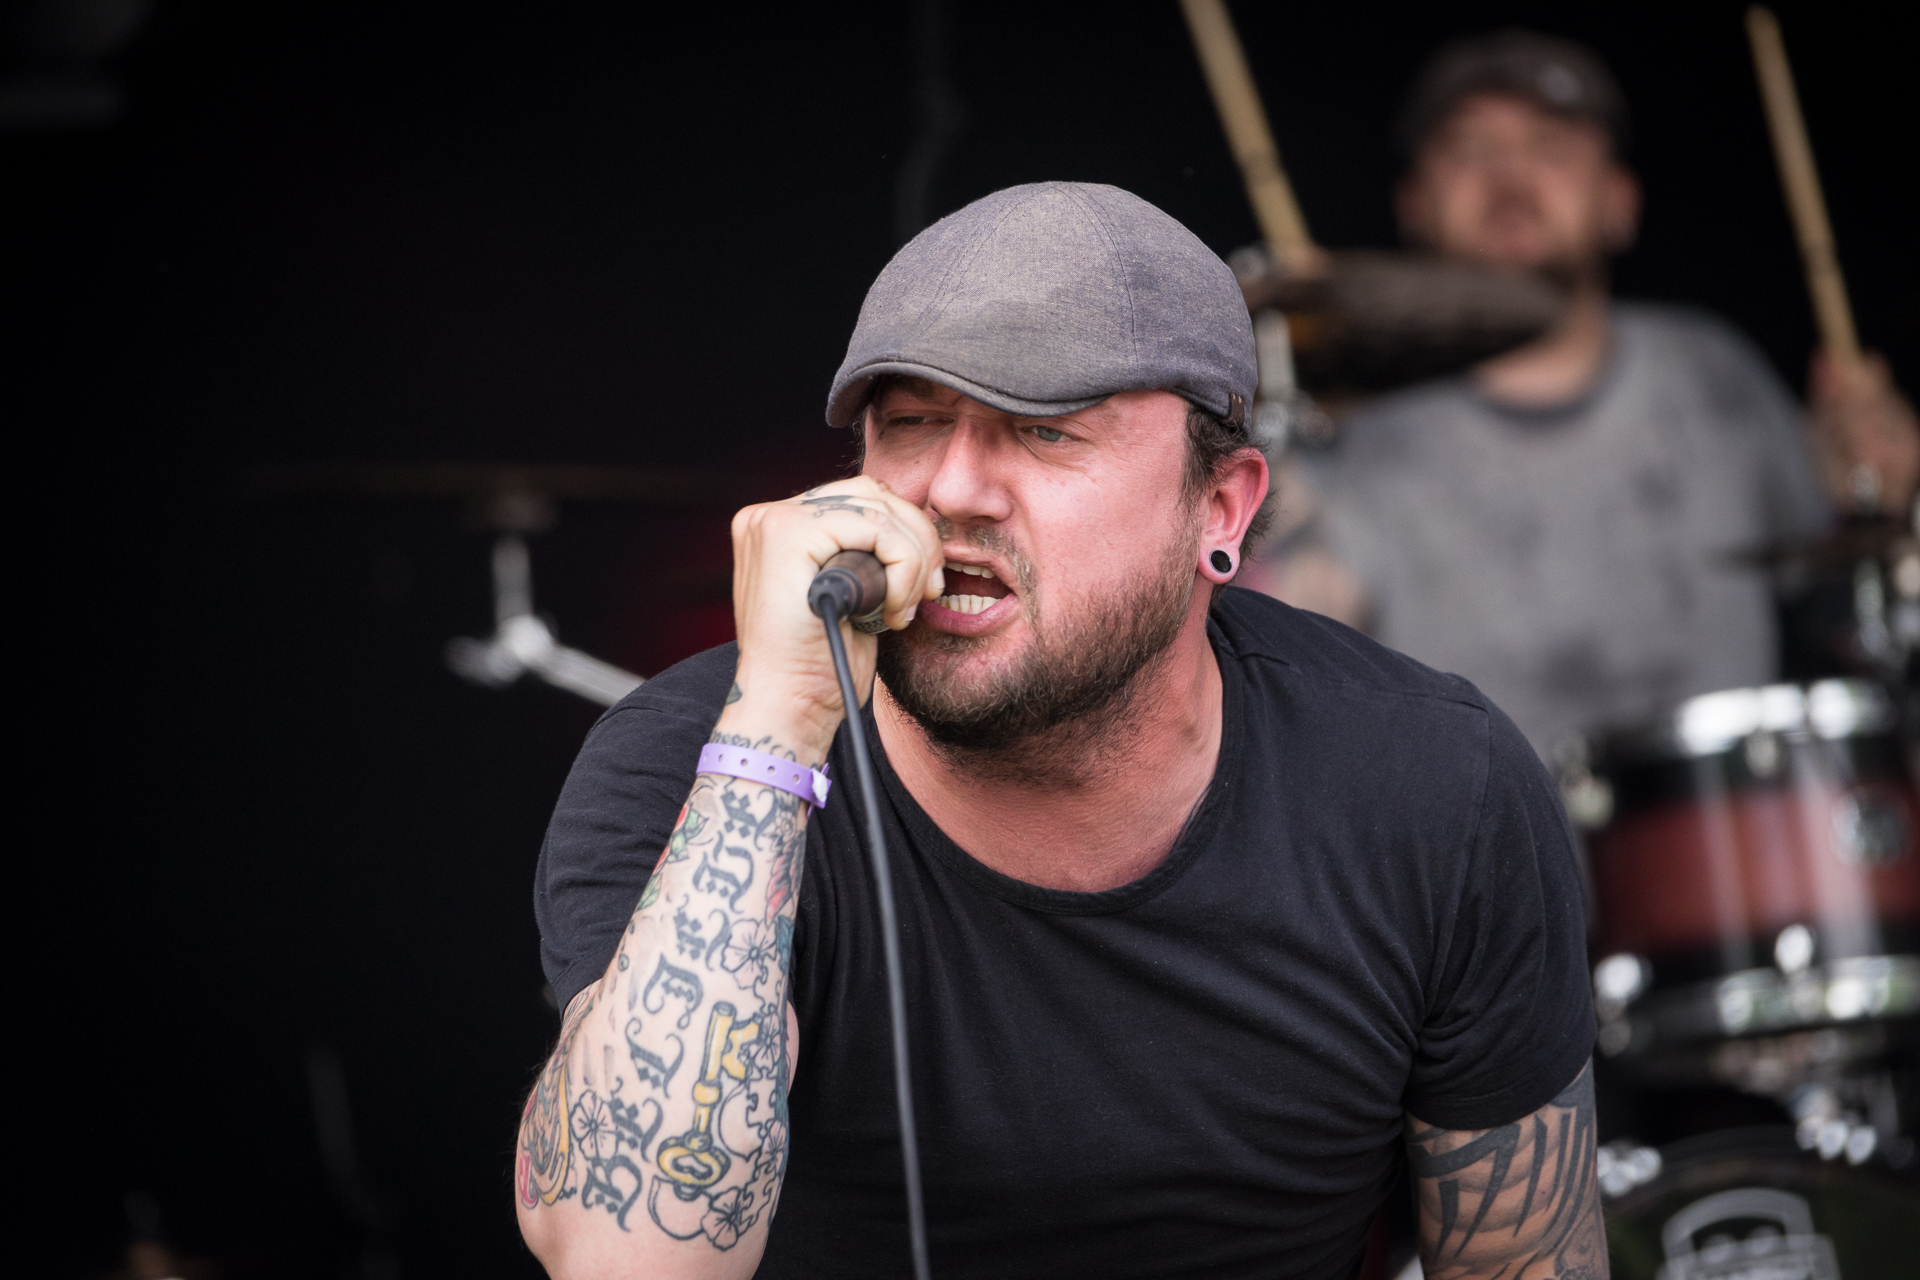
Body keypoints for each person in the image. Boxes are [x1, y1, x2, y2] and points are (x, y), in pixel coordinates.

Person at [516, 182, 1603, 1279]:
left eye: (1044, 430)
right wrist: (772, 731)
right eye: (913, 421)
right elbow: (625, 1257)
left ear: (1219, 509)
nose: (951, 487)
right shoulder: (692, 763)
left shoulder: (1434, 788)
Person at [1254, 30, 1920, 758]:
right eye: (1470, 149)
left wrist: (1875, 500)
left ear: (1620, 201)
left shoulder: (1713, 371)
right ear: (1412, 204)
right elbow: (1288, 656)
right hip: (1481, 864)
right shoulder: (1357, 431)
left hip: (1726, 845)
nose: (1511, 179)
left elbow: (1844, 619)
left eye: (1550, 146)